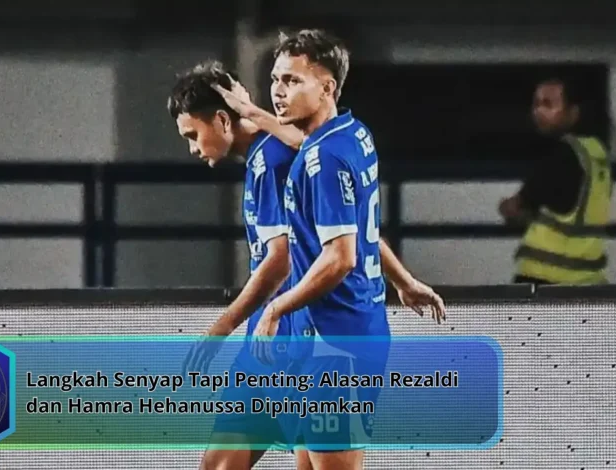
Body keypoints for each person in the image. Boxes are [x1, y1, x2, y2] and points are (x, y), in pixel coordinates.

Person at [246, 30, 445, 470]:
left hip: (338, 342)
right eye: (276, 79)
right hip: (332, 336)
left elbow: (341, 257)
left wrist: (276, 308)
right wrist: (404, 281)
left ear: (327, 87)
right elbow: (360, 233)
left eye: (293, 80)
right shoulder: (353, 134)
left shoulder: (324, 160)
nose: (278, 91)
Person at [169, 60, 312, 470]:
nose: (193, 148)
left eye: (193, 135)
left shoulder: (271, 161)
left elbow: (281, 259)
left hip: (295, 341)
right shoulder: (261, 159)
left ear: (221, 119)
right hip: (262, 345)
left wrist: (222, 326)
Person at [499, 78, 612, 284]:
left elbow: (517, 207)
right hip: (589, 281)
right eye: (536, 104)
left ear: (573, 112)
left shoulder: (561, 156)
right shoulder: (596, 153)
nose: (538, 111)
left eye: (548, 104)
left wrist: (505, 207)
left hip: (544, 280)